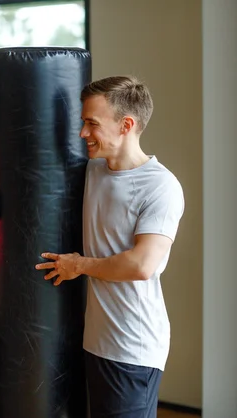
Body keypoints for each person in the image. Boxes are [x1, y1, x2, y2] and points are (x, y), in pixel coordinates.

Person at [35, 76, 184, 418]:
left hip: (133, 347)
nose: (82, 133)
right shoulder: (93, 171)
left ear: (126, 125)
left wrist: (80, 265)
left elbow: (141, 265)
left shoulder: (161, 186)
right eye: (82, 122)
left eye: (92, 124)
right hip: (94, 342)